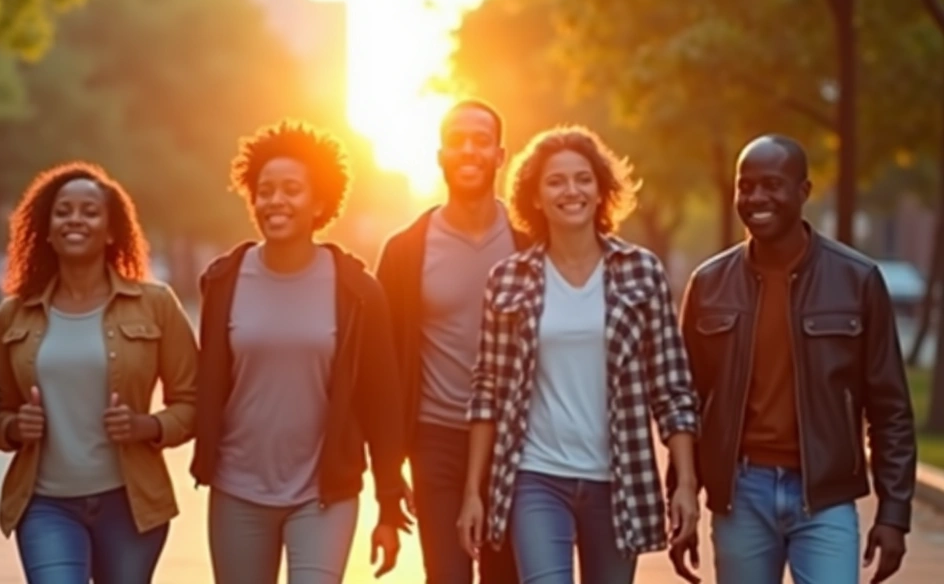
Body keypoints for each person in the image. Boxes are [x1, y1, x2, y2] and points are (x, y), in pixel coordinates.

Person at [457, 126, 701, 584]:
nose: (572, 190)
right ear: (535, 197)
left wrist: (685, 485)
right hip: (535, 477)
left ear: (601, 189)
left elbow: (673, 391)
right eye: (555, 181)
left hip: (618, 479)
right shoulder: (508, 279)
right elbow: (486, 390)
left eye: (583, 178)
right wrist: (474, 491)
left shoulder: (640, 272)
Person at [669, 134, 916, 584]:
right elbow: (687, 404)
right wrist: (680, 498)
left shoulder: (858, 280)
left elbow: (890, 408)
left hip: (824, 497)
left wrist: (894, 513)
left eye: (772, 185)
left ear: (803, 191)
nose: (756, 198)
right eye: (746, 186)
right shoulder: (709, 284)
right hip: (741, 496)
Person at [189, 119, 410, 584]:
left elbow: (382, 403)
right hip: (237, 490)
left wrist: (389, 502)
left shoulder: (358, 292)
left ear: (320, 202)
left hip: (323, 494)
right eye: (265, 190)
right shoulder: (222, 281)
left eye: (292, 189)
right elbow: (207, 382)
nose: (275, 201)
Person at [0, 162, 198, 584]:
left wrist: (147, 426)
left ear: (112, 229)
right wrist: (13, 427)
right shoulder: (14, 314)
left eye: (90, 211)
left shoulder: (155, 304)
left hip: (131, 505)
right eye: (63, 211)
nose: (75, 219)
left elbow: (194, 402)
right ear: (46, 230)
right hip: (46, 504)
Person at [375, 99, 524, 584]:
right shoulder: (404, 251)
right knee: (446, 575)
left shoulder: (533, 244)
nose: (468, 150)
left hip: (517, 441)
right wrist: (387, 468)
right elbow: (384, 368)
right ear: (440, 155)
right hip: (435, 437)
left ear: (500, 155)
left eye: (481, 140)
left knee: (508, 575)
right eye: (457, 140)